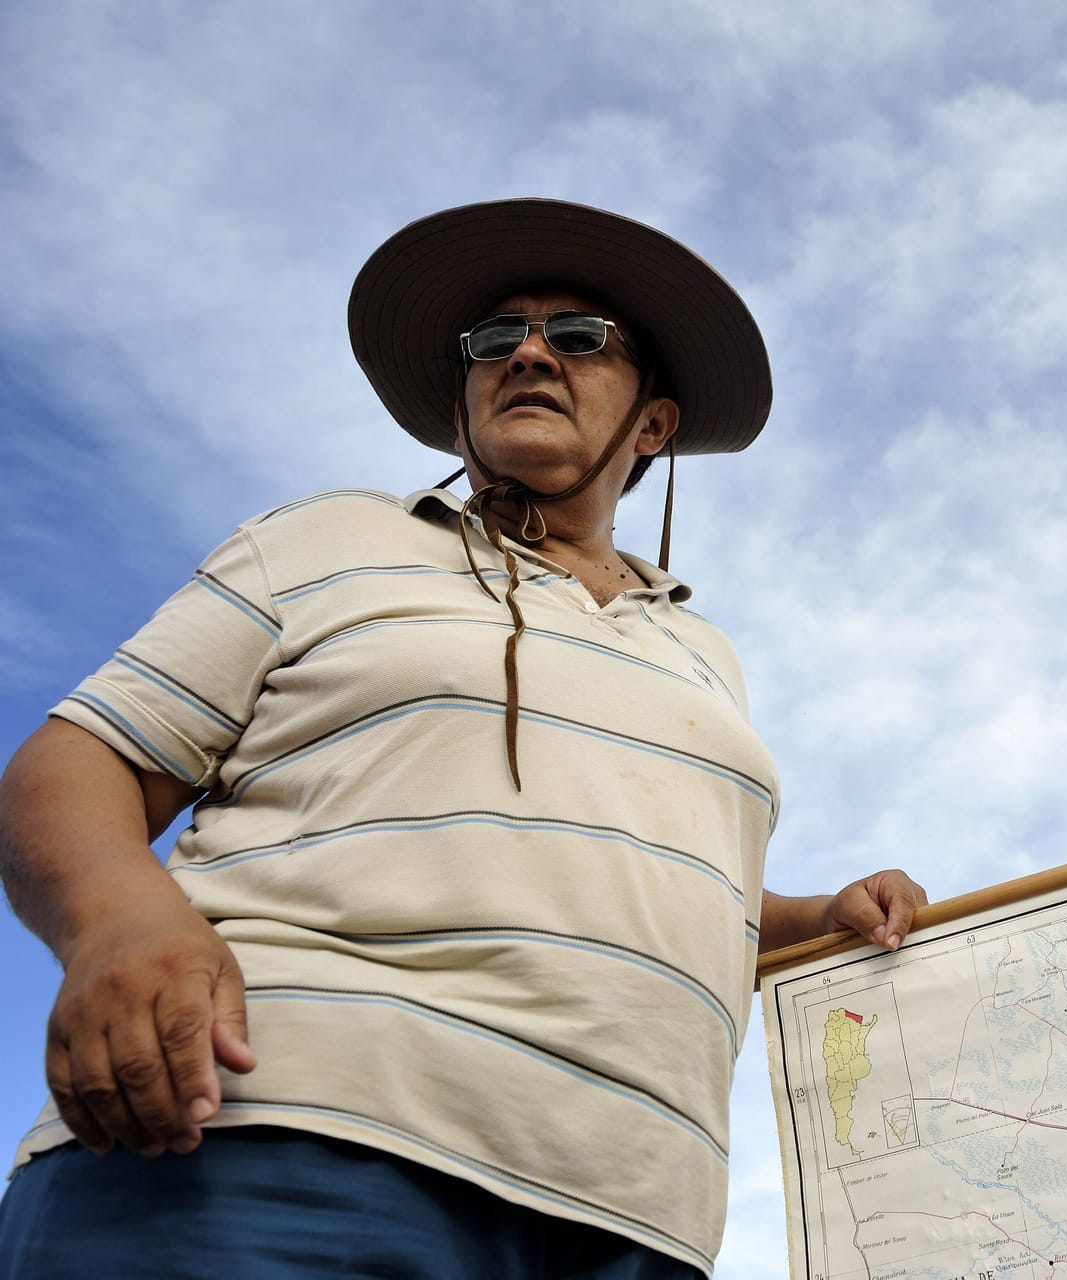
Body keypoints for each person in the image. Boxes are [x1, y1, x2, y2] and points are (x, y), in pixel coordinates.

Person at [0, 199, 926, 1278]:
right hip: (272, 1140)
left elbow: (651, 883)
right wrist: (118, 921)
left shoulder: (706, 652)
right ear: (462, 409)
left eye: (578, 337)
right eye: (497, 339)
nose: (529, 352)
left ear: (656, 426)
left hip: (633, 1217)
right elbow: (82, 758)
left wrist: (819, 915)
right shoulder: (329, 539)